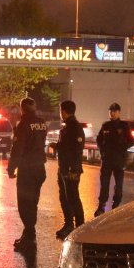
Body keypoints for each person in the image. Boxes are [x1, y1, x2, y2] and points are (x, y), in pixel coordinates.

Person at [7, 96, 48, 251]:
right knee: (33, 202)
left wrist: (11, 168)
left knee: (25, 204)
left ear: (22, 109)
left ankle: (30, 237)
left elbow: (18, 149)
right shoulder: (42, 124)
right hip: (39, 169)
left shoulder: (23, 125)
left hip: (27, 170)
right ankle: (29, 233)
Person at [94, 103, 134, 215]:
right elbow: (99, 139)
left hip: (119, 160)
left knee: (119, 186)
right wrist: (102, 150)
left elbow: (131, 141)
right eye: (110, 111)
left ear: (119, 112)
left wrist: (122, 148)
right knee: (104, 184)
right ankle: (101, 206)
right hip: (107, 160)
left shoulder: (124, 126)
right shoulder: (105, 125)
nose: (112, 113)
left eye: (114, 111)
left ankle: (115, 206)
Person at [55, 99, 86, 239]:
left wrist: (71, 168)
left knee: (73, 197)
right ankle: (69, 225)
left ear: (64, 111)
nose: (60, 113)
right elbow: (65, 147)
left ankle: (80, 227)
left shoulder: (74, 127)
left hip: (71, 169)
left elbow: (75, 149)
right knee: (64, 197)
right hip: (63, 167)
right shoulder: (67, 127)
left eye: (61, 110)